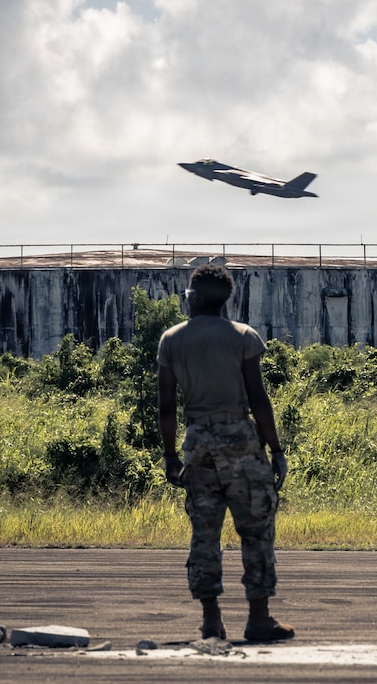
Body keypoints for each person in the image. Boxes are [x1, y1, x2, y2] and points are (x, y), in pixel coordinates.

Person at [157, 264, 294, 642]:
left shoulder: (171, 340)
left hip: (197, 443)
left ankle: (211, 620)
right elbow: (258, 400)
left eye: (188, 294)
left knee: (204, 533)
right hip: (240, 441)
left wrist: (171, 456)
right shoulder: (242, 337)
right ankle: (259, 617)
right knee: (256, 530)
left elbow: (166, 407)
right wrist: (277, 449)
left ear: (197, 298)